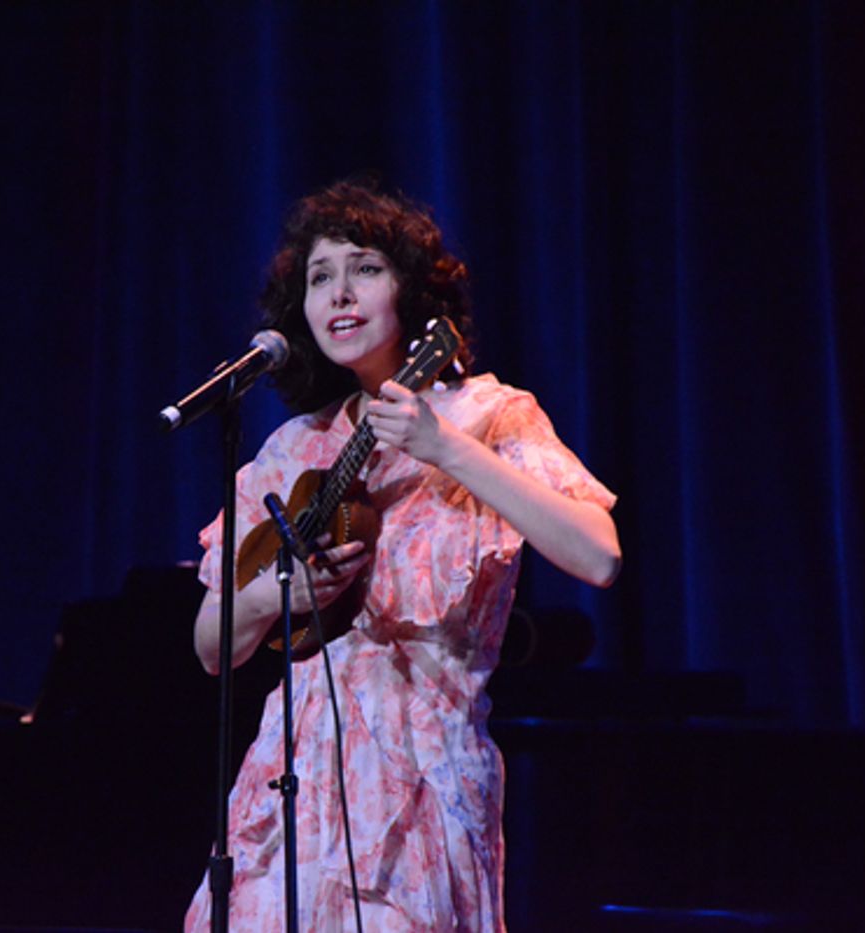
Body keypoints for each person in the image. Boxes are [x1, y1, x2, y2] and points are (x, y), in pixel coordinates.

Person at [184, 181, 621, 931]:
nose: (340, 293)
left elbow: (598, 555)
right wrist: (270, 598)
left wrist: (441, 447)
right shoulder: (295, 450)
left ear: (412, 293)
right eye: (320, 277)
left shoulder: (488, 416)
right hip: (293, 778)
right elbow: (211, 643)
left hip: (421, 779)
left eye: (366, 268)